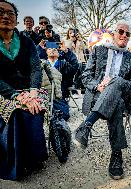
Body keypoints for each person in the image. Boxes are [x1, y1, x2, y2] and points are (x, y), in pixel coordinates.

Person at [74, 22, 131, 180]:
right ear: (114, 33)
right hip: (96, 96)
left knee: (116, 88)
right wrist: (98, 86)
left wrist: (114, 83)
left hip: (121, 97)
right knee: (115, 101)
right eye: (121, 32)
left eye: (127, 34)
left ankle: (86, 125)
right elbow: (85, 76)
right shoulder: (98, 50)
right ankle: (116, 156)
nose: (124, 35)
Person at [0, 0, 48, 180]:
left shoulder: (27, 42)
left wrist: (34, 91)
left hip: (30, 88)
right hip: (3, 91)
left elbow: (36, 68)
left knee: (35, 107)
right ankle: (12, 163)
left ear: (16, 19)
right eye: (0, 12)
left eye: (10, 13)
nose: (5, 16)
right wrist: (16, 95)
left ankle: (35, 158)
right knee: (13, 110)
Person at [37, 41, 79, 120]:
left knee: (64, 115)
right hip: (44, 94)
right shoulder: (42, 64)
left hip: (59, 95)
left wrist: (66, 51)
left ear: (59, 53)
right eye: (49, 49)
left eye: (55, 49)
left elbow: (74, 66)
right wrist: (39, 47)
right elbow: (32, 59)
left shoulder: (63, 64)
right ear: (46, 52)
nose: (52, 50)